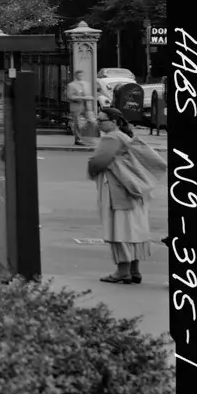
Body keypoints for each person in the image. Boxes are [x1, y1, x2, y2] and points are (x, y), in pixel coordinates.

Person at [87, 106, 166, 284]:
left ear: (114, 122)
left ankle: (122, 271)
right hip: (134, 189)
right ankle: (134, 270)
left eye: (102, 120)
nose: (98, 124)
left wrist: (91, 166)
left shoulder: (112, 137)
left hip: (118, 190)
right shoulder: (124, 136)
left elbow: (99, 162)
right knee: (134, 230)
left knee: (119, 229)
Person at [66, 71, 95, 147]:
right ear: (76, 75)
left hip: (87, 106)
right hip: (76, 106)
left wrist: (89, 98)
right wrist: (83, 98)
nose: (81, 76)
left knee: (92, 122)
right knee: (78, 124)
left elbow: (88, 94)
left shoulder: (86, 84)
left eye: (82, 75)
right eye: (79, 75)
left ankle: (89, 139)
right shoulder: (71, 85)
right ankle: (78, 139)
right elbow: (70, 97)